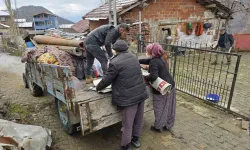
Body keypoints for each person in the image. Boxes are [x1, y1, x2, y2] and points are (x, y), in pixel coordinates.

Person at [96, 40, 148, 150]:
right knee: (138, 118)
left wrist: (97, 87)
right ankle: (136, 140)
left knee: (127, 123)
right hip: (141, 92)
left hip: (128, 97)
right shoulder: (133, 57)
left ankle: (125, 146)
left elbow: (106, 80)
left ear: (115, 50)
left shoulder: (115, 62)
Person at [139, 43, 176, 132]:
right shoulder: (159, 58)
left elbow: (154, 76)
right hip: (170, 84)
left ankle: (158, 127)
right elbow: (148, 61)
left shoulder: (154, 62)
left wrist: (143, 77)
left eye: (148, 51)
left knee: (159, 107)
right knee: (168, 106)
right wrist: (137, 61)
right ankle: (167, 124)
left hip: (162, 87)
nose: (146, 52)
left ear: (152, 52)